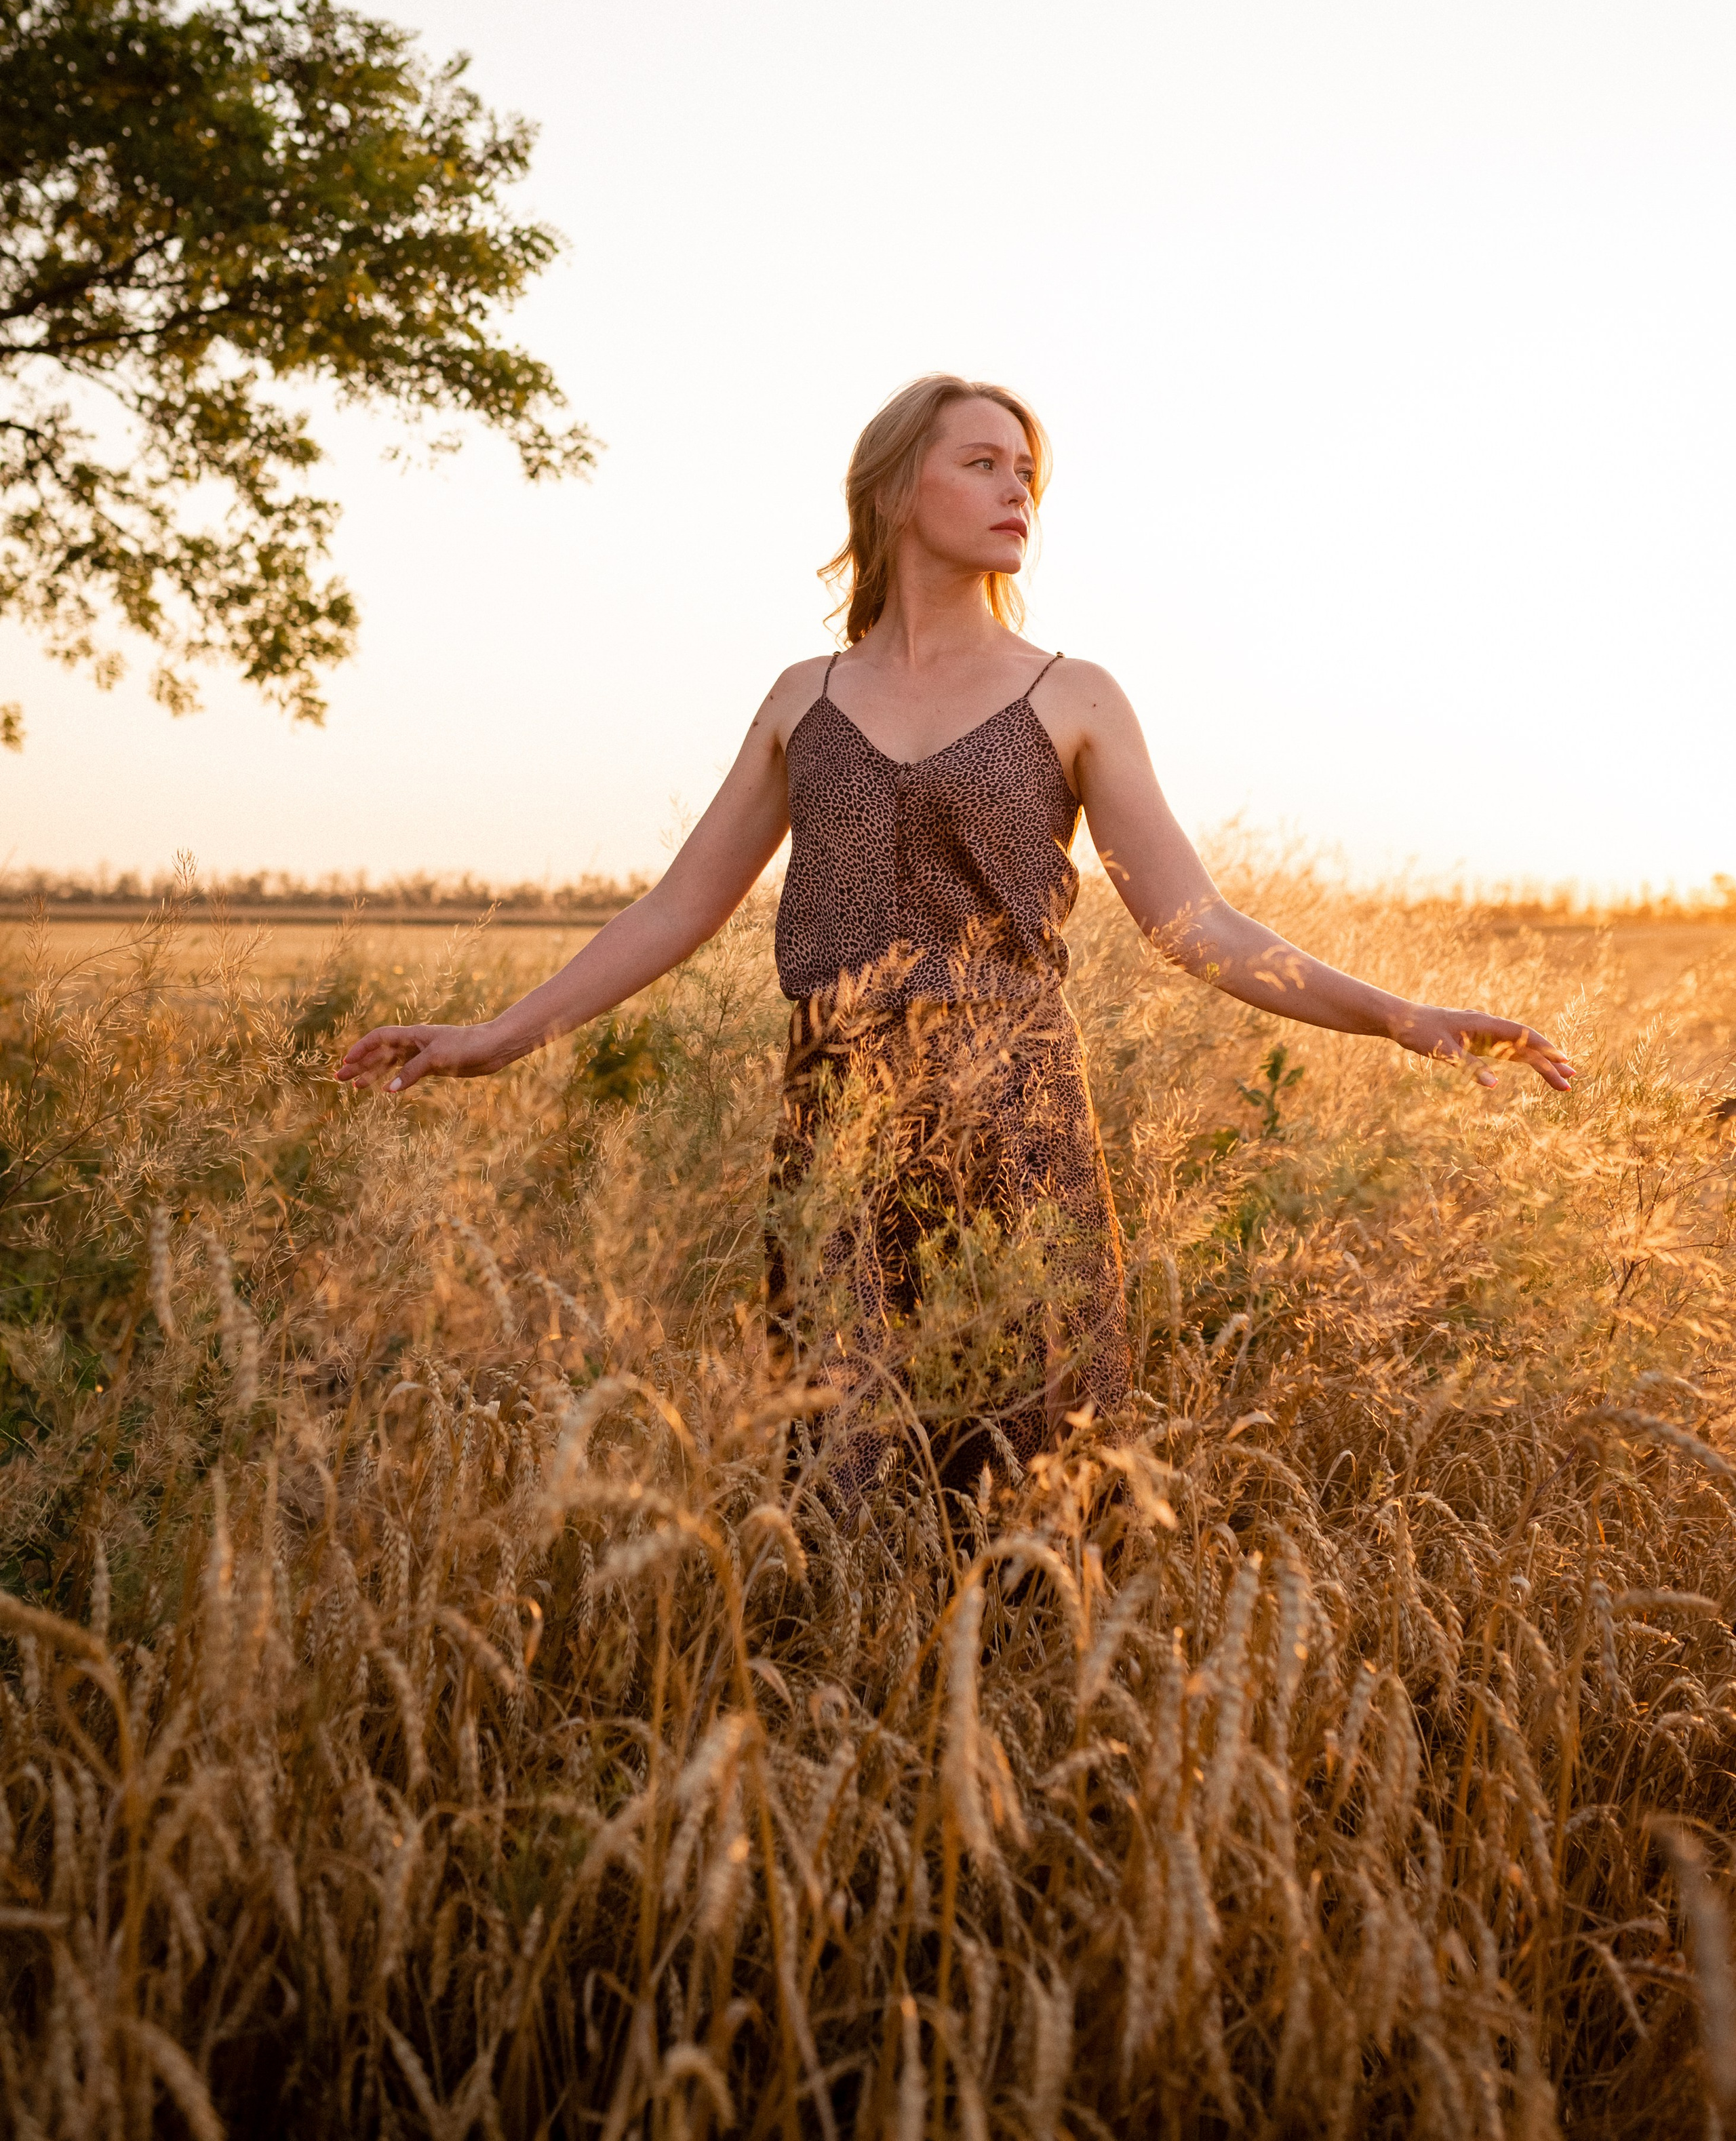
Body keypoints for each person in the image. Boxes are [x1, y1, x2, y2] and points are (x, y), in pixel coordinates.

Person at [336, 373, 1574, 1490]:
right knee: (843, 1470)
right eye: (982, 462)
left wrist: (1399, 1015)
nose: (1016, 486)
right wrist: (500, 1037)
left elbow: (1192, 923)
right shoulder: (799, 702)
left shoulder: (1072, 695)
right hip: (835, 1112)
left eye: (1027, 468)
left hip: (1017, 1114)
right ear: (891, 490)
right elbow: (680, 906)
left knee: (1033, 1477)